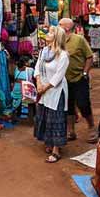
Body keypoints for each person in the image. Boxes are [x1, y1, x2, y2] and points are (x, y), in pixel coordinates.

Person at [58, 18, 97, 144]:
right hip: (64, 79)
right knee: (68, 105)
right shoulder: (58, 41)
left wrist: (85, 72)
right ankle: (71, 130)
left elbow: (89, 57)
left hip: (79, 77)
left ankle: (91, 127)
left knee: (83, 103)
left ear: (67, 28)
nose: (57, 26)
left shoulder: (79, 40)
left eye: (60, 25)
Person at [34, 26, 69, 163]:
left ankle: (56, 150)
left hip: (56, 90)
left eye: (50, 32)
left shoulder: (63, 55)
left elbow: (58, 77)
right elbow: (38, 67)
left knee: (55, 118)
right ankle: (48, 142)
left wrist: (44, 87)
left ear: (56, 37)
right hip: (43, 87)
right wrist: (38, 83)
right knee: (45, 114)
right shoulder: (44, 51)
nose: (47, 34)